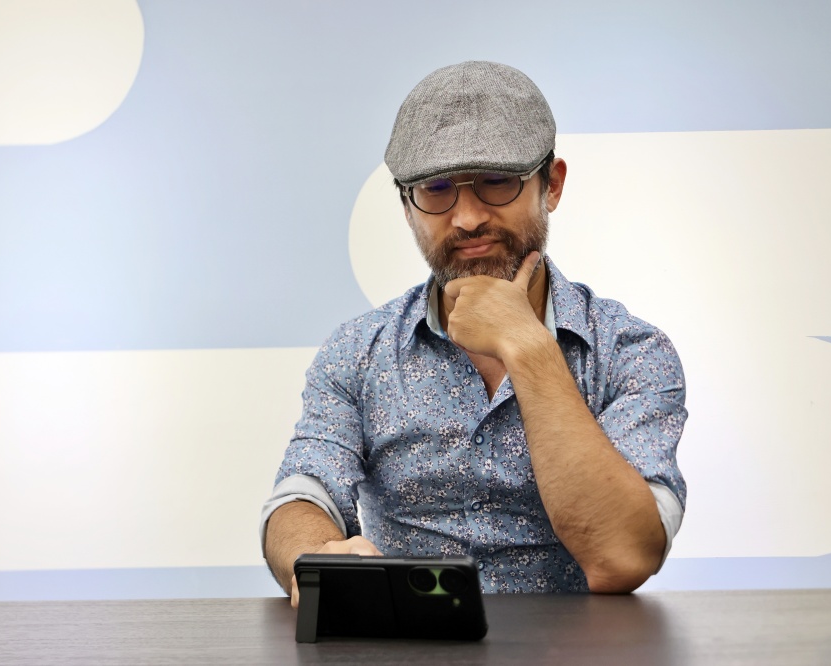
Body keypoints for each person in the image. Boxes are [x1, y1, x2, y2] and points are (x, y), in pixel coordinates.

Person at [260, 61, 686, 602]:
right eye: (436, 189)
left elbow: (623, 556)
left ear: (552, 185)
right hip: (408, 639)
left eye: (496, 182)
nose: (466, 218)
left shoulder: (631, 352)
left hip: (575, 644)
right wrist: (315, 556)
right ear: (407, 207)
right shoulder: (357, 352)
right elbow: (304, 491)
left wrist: (528, 346)